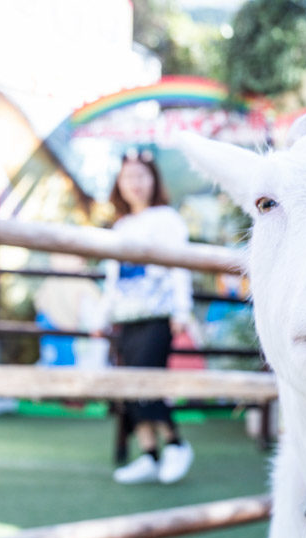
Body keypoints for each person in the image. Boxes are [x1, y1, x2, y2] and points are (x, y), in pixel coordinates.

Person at [95, 148, 195, 485]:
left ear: (154, 180)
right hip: (125, 317)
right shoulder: (121, 225)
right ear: (119, 183)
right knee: (129, 385)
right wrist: (102, 317)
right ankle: (150, 454)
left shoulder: (167, 219)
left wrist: (181, 309)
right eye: (128, 177)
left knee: (148, 382)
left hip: (158, 315)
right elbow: (113, 278)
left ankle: (176, 444)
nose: (135, 183)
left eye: (141, 175)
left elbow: (180, 266)